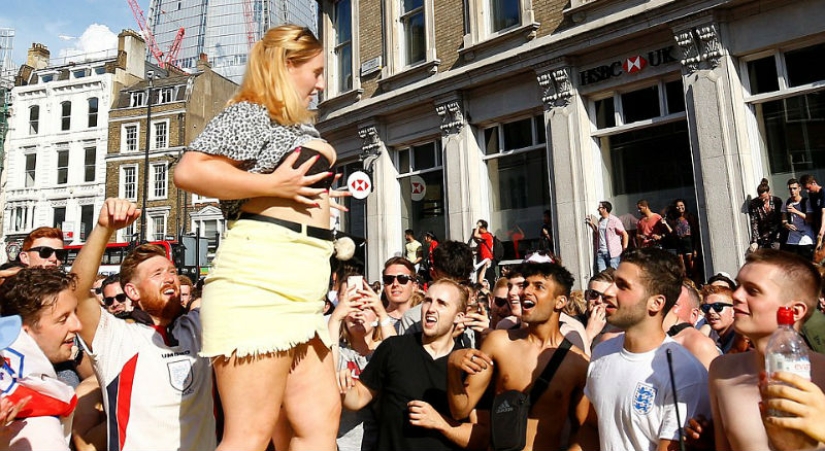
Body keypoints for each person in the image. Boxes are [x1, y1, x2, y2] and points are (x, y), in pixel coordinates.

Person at [173, 25, 344, 450]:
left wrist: (316, 200)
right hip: (259, 281)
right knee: (250, 433)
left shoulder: (293, 124)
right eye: (316, 72)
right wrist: (276, 188)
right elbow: (189, 170)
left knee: (317, 427)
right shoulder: (252, 111)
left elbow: (279, 181)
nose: (321, 84)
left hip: (303, 286)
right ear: (287, 65)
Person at [70, 199, 216, 450]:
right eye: (157, 274)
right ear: (132, 291)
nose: (169, 278)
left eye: (171, 271)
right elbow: (78, 292)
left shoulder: (198, 325)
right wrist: (104, 228)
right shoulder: (117, 336)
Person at [447, 262, 595, 450]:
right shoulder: (499, 343)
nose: (525, 292)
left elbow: (584, 429)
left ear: (560, 302)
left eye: (539, 286)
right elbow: (460, 410)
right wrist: (452, 366)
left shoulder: (577, 363)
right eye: (526, 285)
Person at [586, 247, 710, 451]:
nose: (607, 293)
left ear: (656, 303)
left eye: (622, 286)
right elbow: (590, 429)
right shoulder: (602, 353)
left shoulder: (684, 373)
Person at [340, 279, 486, 450]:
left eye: (441, 304)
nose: (431, 309)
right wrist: (345, 388)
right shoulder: (393, 348)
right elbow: (358, 398)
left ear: (459, 316)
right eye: (428, 301)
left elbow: (480, 438)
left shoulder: (467, 363)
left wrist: (440, 423)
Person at [703, 249, 825, 451]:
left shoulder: (823, 375)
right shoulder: (722, 371)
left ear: (794, 311)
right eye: (739, 285)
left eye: (752, 291)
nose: (736, 295)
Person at [0, 269, 81, 451]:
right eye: (63, 319)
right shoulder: (38, 428)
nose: (78, 326)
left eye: (75, 313)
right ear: (24, 333)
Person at [328, 275, 396, 451]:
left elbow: (398, 360)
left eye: (365, 307)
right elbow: (327, 368)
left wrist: (382, 312)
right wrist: (335, 319)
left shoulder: (383, 350)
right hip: (344, 444)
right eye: (352, 306)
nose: (358, 312)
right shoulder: (339, 350)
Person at [662, 281, 721, 369]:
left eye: (673, 304)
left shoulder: (706, 351)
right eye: (663, 302)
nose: (663, 308)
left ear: (693, 315)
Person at [700, 284, 748, 354]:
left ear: (734, 309)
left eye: (718, 307)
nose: (711, 312)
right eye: (706, 307)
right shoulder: (722, 341)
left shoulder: (744, 342)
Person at [586, 201, 628, 272]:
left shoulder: (614, 220)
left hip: (613, 253)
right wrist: (592, 225)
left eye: (599, 208)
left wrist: (624, 248)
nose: (598, 209)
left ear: (605, 209)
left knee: (613, 274)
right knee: (602, 275)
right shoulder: (601, 220)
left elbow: (625, 234)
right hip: (601, 252)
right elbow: (599, 233)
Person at [781, 178, 815, 260]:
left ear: (799, 189)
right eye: (790, 189)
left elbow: (810, 219)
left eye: (794, 188)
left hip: (806, 239)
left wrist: (795, 211)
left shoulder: (806, 202)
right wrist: (787, 225)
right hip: (793, 240)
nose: (792, 191)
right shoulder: (786, 203)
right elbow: (783, 221)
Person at [662, 199, 698, 278]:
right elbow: (672, 232)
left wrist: (695, 248)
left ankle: (695, 281)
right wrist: (665, 223)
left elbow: (695, 232)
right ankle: (685, 280)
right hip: (679, 242)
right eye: (677, 206)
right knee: (682, 264)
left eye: (681, 205)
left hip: (688, 241)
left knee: (691, 264)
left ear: (685, 206)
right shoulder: (674, 219)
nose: (680, 208)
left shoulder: (690, 216)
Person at [748, 178, 784, 251]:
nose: (763, 201)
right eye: (761, 199)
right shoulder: (755, 204)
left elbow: (780, 220)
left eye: (765, 198)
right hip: (762, 237)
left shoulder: (776, 201)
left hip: (776, 236)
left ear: (769, 193)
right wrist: (754, 241)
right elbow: (754, 223)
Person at [800, 174, 825, 247]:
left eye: (809, 188)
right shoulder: (812, 195)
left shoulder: (823, 193)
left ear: (814, 183)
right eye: (806, 189)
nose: (807, 191)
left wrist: (822, 229)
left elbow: (824, 212)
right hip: (817, 227)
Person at [472, 219, 495, 284]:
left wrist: (478, 225)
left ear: (483, 228)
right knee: (482, 280)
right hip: (483, 260)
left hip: (487, 260)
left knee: (487, 280)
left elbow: (475, 235)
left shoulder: (487, 235)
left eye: (479, 228)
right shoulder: (483, 240)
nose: (478, 230)